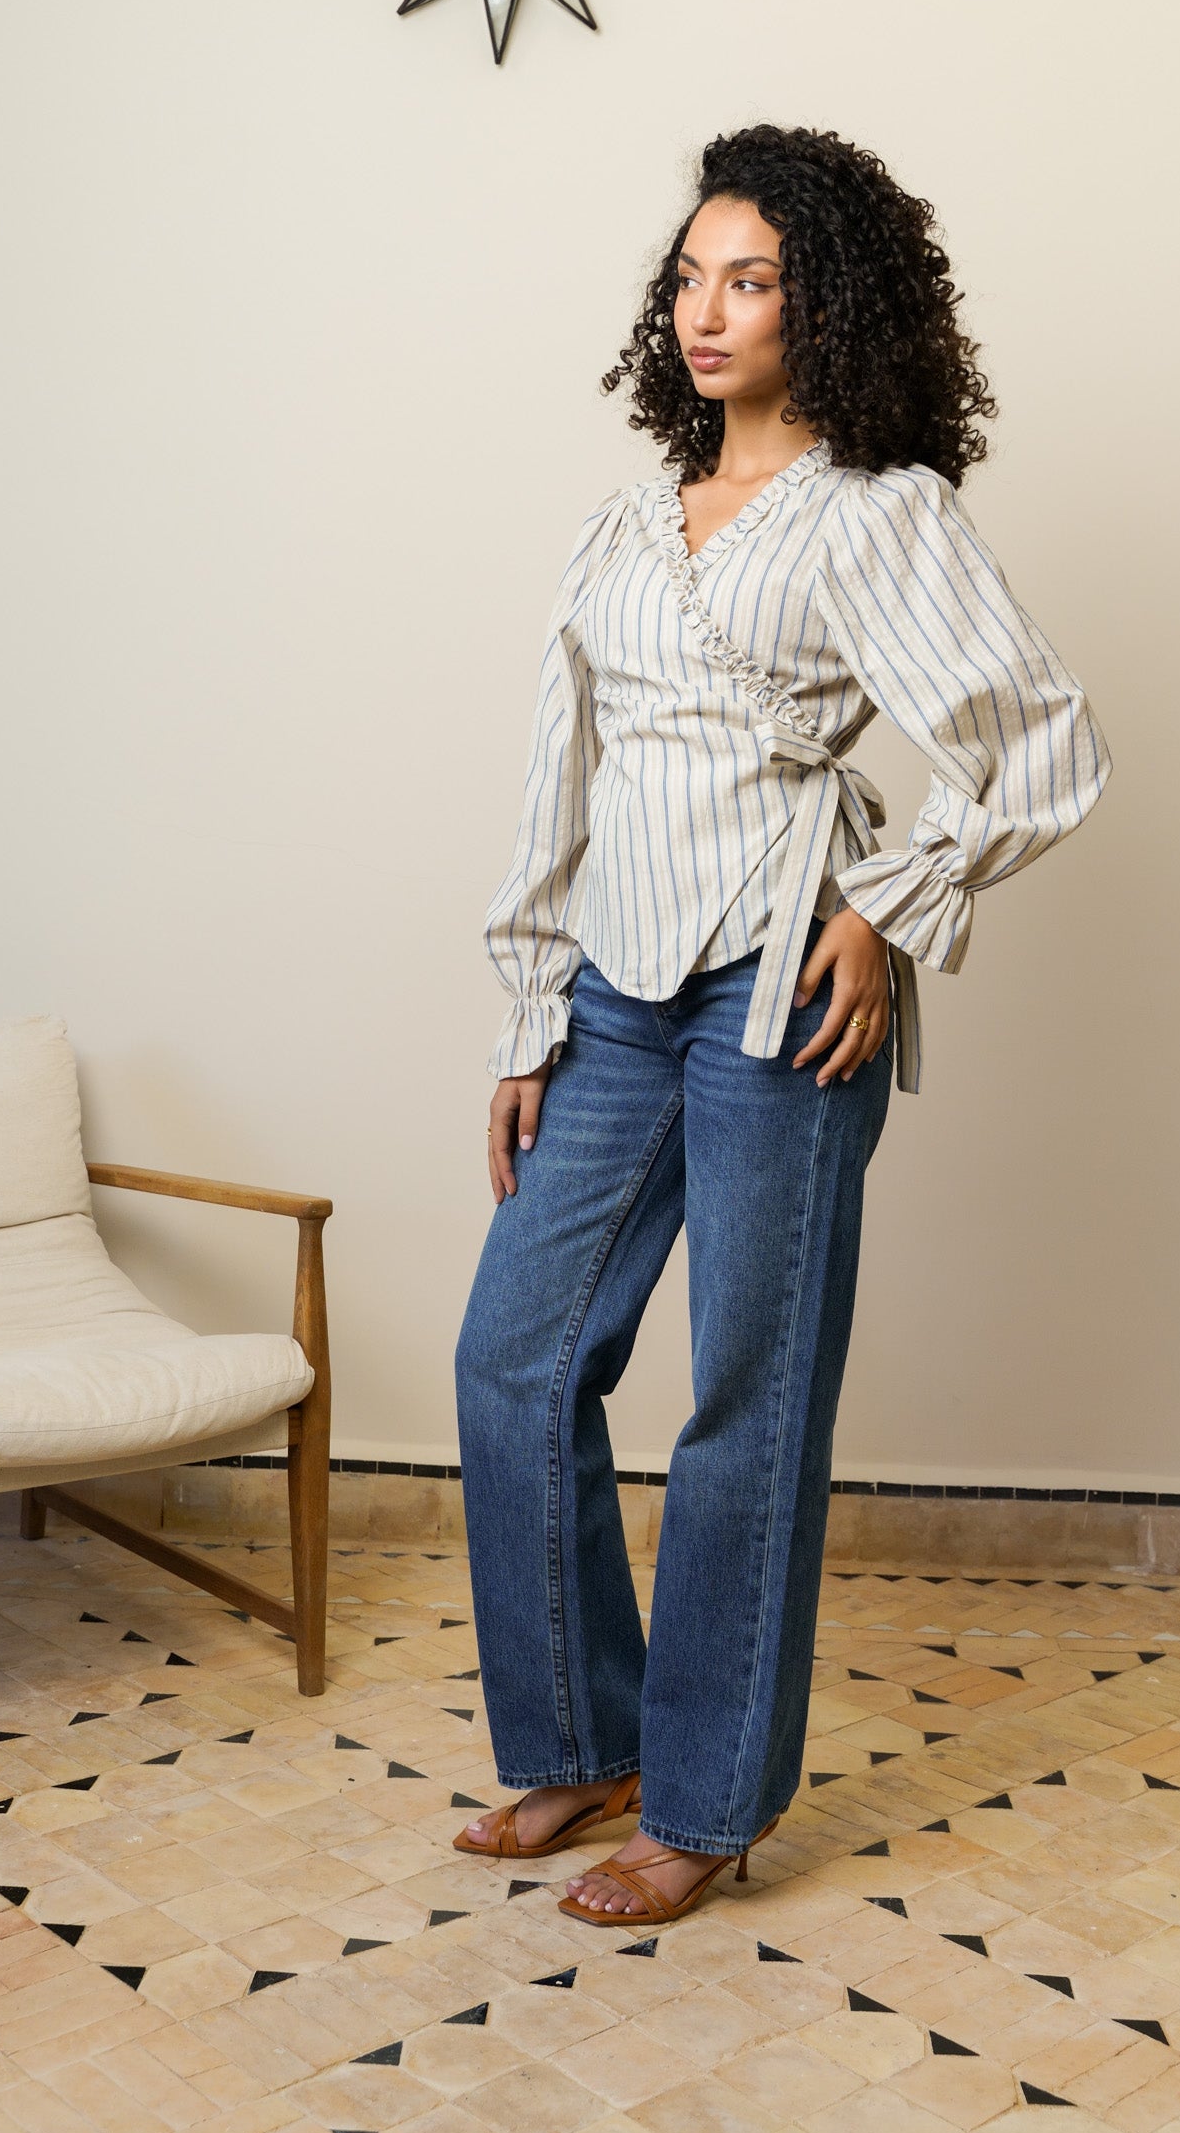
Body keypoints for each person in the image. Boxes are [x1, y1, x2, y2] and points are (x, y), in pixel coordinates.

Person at [453, 125, 1111, 1927]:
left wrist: (885, 910)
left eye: (751, 280)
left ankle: (707, 1801)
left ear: (826, 307)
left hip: (780, 989)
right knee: (515, 1359)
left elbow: (1045, 741)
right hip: (614, 990)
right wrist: (528, 1013)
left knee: (748, 1396)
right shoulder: (618, 527)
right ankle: (583, 1740)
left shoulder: (881, 512)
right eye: (690, 277)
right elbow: (559, 778)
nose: (708, 310)